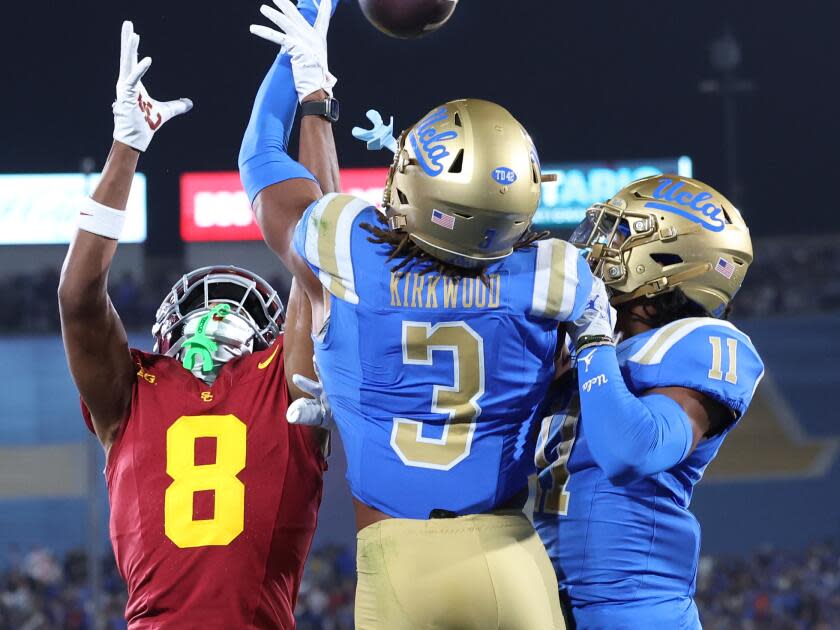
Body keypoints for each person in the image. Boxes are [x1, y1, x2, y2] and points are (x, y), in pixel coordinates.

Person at [242, 1, 594, 627]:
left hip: (399, 560)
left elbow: (262, 157)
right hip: (512, 558)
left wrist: (312, 82)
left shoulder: (350, 253)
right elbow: (578, 386)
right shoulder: (554, 278)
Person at [59, 19, 332, 629]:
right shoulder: (145, 389)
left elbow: (324, 266)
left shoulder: (271, 383)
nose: (217, 316)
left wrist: (314, 97)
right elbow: (324, 258)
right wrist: (124, 148)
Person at [532, 174, 765, 629]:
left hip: (634, 611)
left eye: (620, 235)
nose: (599, 247)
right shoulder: (581, 347)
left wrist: (595, 340)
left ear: (667, 261)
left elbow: (632, 449)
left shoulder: (703, 341)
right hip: (545, 604)